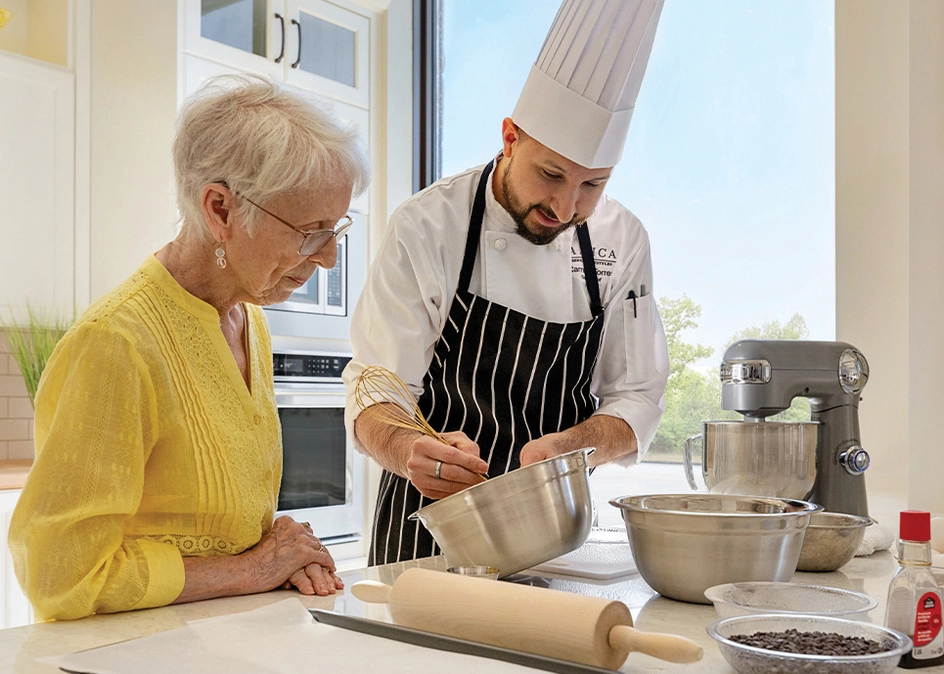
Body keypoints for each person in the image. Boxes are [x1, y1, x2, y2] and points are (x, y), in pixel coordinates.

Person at [8, 74, 370, 621]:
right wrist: (253, 569)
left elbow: (209, 523)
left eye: (335, 230)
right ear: (220, 210)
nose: (327, 261)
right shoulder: (116, 344)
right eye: (310, 233)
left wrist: (280, 544)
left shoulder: (249, 319)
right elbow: (61, 575)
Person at [343, 0, 670, 565]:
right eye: (551, 174)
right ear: (510, 136)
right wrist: (409, 448)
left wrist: (572, 448)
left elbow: (637, 396)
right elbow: (377, 388)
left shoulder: (623, 240)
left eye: (592, 184)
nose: (566, 206)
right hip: (430, 522)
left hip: (552, 527)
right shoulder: (427, 226)